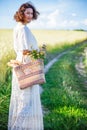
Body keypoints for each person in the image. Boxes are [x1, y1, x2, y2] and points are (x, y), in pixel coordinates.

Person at [8, 1, 44, 130]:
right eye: (27, 13)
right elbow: (24, 51)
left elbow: (20, 50)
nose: (29, 15)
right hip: (26, 64)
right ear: (21, 13)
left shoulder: (17, 26)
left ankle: (20, 126)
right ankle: (17, 127)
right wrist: (38, 53)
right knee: (26, 101)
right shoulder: (23, 28)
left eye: (31, 13)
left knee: (21, 98)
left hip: (19, 62)